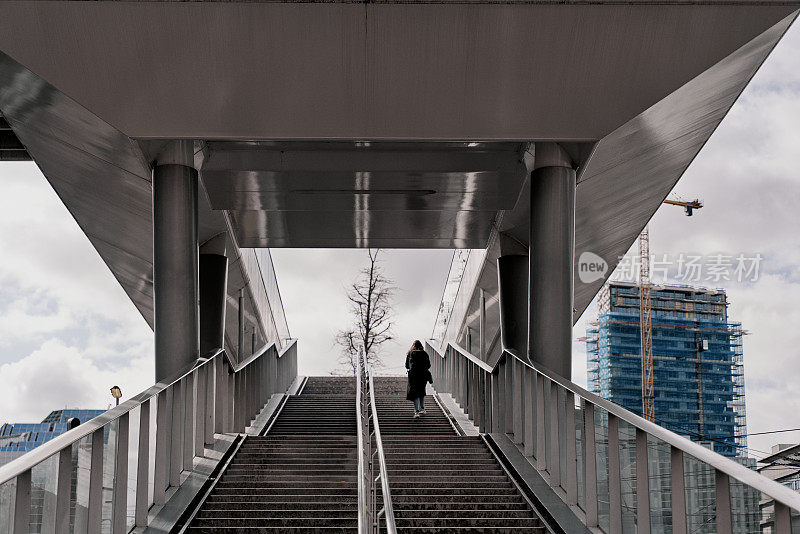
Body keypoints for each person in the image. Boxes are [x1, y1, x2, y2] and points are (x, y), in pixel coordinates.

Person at [405, 340, 432, 418]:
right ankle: (422, 408)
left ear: (413, 346)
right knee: (421, 391)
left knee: (415, 392)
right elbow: (428, 365)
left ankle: (416, 411)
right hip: (423, 375)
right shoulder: (425, 354)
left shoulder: (410, 354)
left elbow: (407, 366)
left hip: (413, 375)